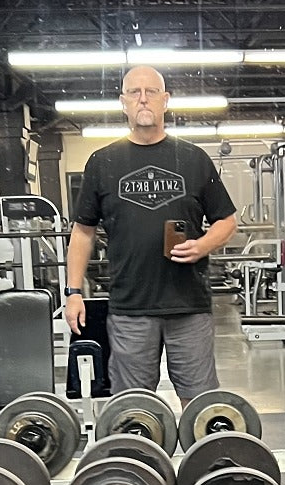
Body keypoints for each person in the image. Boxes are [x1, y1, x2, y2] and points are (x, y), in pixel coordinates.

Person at [64, 65, 237, 408]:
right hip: (130, 308)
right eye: (134, 92)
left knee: (200, 406)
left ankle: (201, 461)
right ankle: (137, 461)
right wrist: (72, 292)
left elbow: (227, 221)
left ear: (165, 101)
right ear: (123, 102)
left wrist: (202, 245)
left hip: (188, 307)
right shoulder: (102, 162)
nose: (143, 99)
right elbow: (83, 231)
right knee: (132, 408)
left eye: (152, 91)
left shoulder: (194, 159)